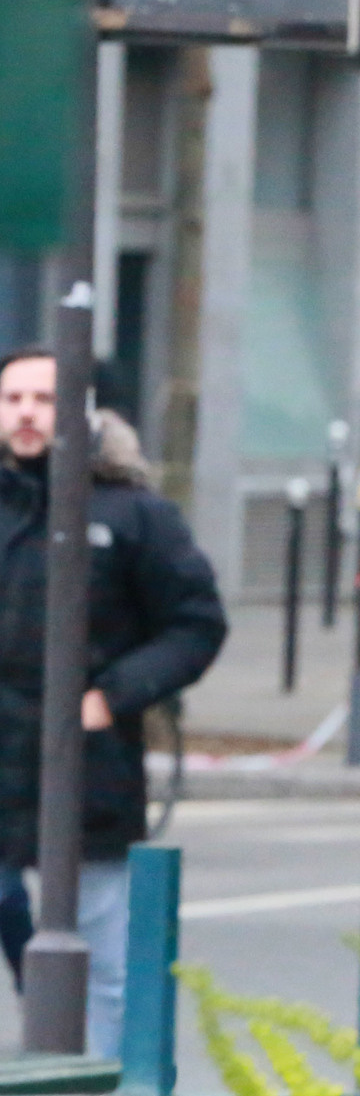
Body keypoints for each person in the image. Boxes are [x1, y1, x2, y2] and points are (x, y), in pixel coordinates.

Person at [0, 350, 225, 1057]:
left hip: (88, 771)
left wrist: (114, 695)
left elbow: (196, 624)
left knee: (102, 962)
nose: (27, 412)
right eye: (12, 398)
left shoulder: (133, 513)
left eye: (45, 398)